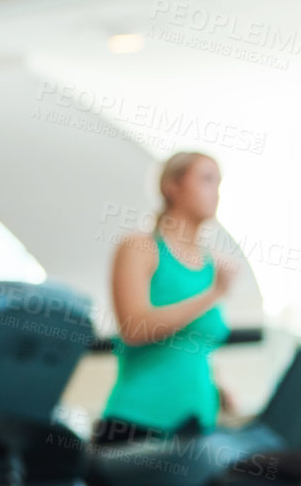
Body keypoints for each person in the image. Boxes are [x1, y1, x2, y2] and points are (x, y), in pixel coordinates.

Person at [97, 151, 237, 446]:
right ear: (172, 186)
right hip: (139, 425)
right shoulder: (141, 247)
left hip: (199, 427)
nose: (216, 192)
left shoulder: (212, 264)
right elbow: (134, 328)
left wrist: (217, 387)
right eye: (207, 180)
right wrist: (214, 294)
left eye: (219, 183)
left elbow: (192, 346)